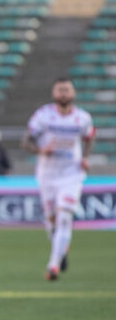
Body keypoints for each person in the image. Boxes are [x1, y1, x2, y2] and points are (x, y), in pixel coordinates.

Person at [22, 78, 95, 281]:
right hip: (47, 175)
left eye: (67, 89)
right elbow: (26, 141)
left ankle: (53, 266)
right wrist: (40, 150)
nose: (63, 93)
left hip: (71, 175)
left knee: (64, 217)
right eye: (60, 90)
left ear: (72, 93)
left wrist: (85, 158)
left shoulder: (82, 117)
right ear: (54, 93)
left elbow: (89, 138)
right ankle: (61, 249)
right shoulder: (43, 116)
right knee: (51, 221)